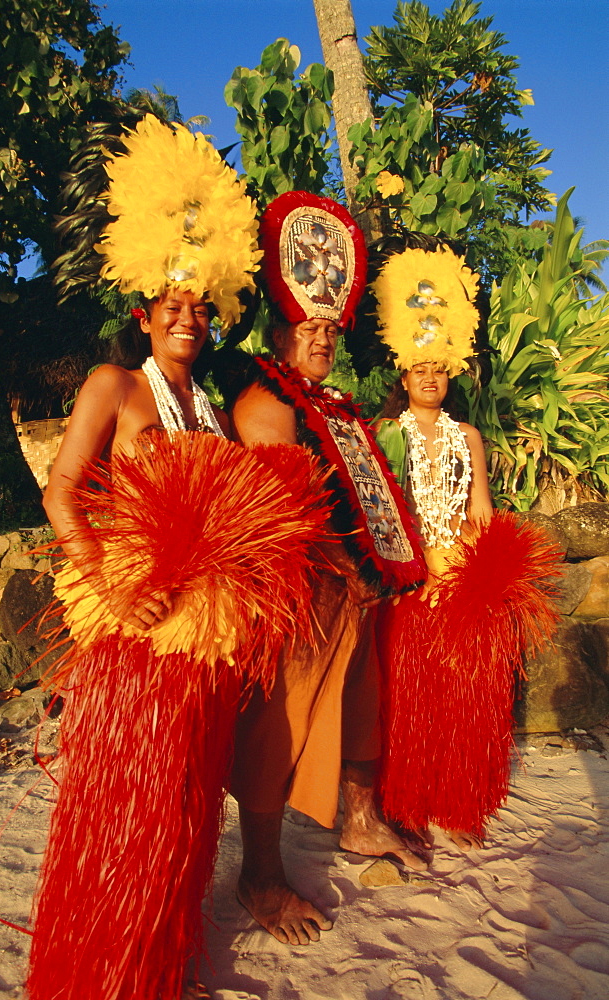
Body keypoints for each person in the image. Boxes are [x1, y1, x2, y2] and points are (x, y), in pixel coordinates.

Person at [26, 118, 331, 1000]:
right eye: (173, 307)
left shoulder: (212, 410)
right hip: (137, 635)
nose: (188, 319)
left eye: (202, 309)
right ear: (143, 310)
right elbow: (61, 491)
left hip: (205, 646)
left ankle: (158, 953)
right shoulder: (113, 388)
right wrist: (110, 588)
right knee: (131, 806)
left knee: (188, 812)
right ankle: (104, 969)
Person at [228, 191, 428, 947]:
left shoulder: (334, 404)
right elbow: (282, 507)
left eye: (329, 329)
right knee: (278, 724)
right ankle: (259, 872)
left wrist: (378, 561)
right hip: (301, 598)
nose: (322, 338)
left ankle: (360, 819)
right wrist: (336, 562)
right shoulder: (264, 401)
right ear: (280, 329)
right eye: (309, 328)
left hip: (354, 590)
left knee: (364, 703)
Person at [371, 244, 561, 851]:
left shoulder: (470, 437)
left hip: (457, 574)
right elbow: (382, 514)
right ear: (402, 373)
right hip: (407, 579)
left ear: (451, 374)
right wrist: (411, 574)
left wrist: (478, 579)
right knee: (408, 696)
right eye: (419, 368)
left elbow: (479, 508)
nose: (430, 378)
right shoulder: (384, 436)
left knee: (463, 693)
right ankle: (405, 801)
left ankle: (455, 800)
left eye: (440, 368)